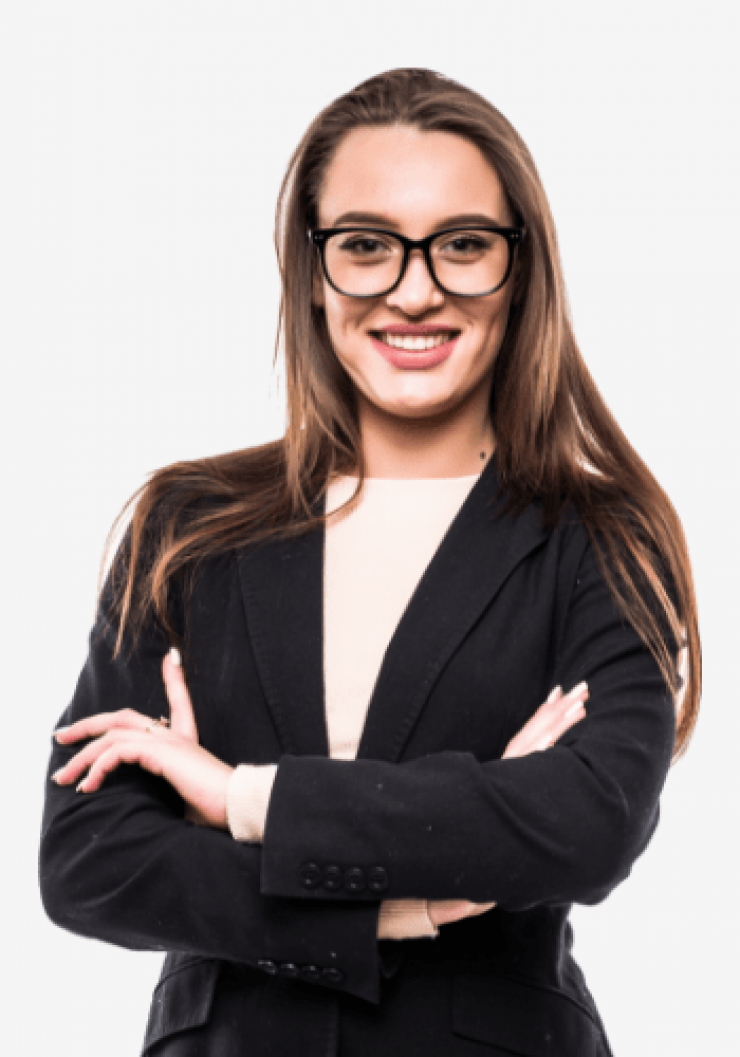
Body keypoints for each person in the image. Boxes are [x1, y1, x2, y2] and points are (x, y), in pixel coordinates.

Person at [39, 67, 700, 1056]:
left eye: (463, 245)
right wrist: (412, 896)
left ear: (519, 268)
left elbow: (587, 824)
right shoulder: (187, 527)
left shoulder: (598, 538)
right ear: (311, 269)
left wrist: (240, 799)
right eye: (365, 245)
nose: (415, 289)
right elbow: (90, 862)